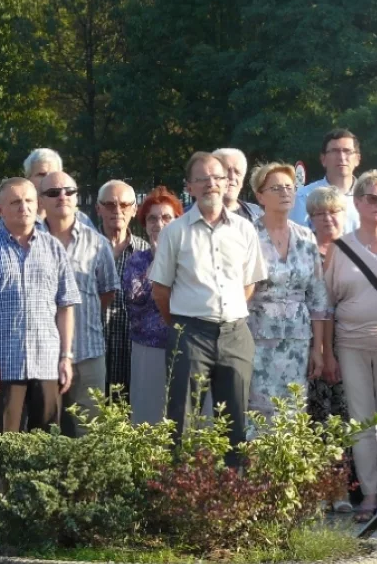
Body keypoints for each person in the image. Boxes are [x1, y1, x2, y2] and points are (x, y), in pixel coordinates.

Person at [0, 177, 80, 496]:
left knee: (45, 442)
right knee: (3, 442)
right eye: (15, 202)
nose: (24, 207)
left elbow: (66, 305)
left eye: (28, 200)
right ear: (0, 209)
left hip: (46, 362)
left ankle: (40, 502)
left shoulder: (54, 248)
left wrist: (66, 356)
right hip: (3, 365)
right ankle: (2, 508)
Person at [150, 152, 267, 464]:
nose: (211, 184)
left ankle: (234, 499)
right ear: (189, 186)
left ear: (227, 182)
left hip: (235, 335)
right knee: (182, 422)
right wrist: (181, 325)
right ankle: (180, 497)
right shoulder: (175, 232)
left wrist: (227, 315)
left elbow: (248, 284)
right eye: (202, 178)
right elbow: (161, 290)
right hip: (189, 333)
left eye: (217, 177)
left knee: (236, 423)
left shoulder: (245, 229)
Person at [324, 170, 377, 523]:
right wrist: (325, 352)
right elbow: (325, 305)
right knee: (361, 422)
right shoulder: (340, 247)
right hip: (350, 344)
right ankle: (369, 495)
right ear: (357, 202)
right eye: (372, 198)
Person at [246, 163, 329, 430]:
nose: (285, 192)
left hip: (297, 343)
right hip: (256, 340)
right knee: (256, 416)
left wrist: (318, 349)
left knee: (291, 415)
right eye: (276, 188)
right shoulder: (247, 235)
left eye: (289, 187)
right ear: (260, 196)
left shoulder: (306, 237)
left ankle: (286, 472)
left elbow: (317, 297)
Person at [40, 172, 118, 436]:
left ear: (77, 197)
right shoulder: (30, 242)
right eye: (53, 192)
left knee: (90, 435)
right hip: (43, 355)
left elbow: (107, 292)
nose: (62, 196)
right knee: (47, 434)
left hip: (88, 354)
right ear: (41, 200)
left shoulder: (98, 243)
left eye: (69, 191)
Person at [305, 186, 354, 514]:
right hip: (309, 342)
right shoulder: (305, 250)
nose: (327, 218)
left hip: (347, 342)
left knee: (342, 417)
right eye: (319, 213)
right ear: (310, 218)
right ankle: (317, 490)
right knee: (314, 417)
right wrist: (320, 350)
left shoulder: (354, 252)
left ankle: (342, 489)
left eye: (333, 211)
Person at [124, 187, 184, 424]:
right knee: (148, 416)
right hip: (148, 349)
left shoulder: (189, 258)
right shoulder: (137, 260)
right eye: (152, 218)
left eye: (166, 217)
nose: (159, 223)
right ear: (145, 224)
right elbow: (134, 297)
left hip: (184, 347)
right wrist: (159, 258)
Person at [97, 179, 149, 397]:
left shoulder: (146, 254)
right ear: (98, 209)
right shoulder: (84, 250)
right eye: (109, 204)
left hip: (134, 357)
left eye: (125, 205)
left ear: (134, 209)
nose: (117, 210)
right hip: (94, 354)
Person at [290, 128, 361, 232]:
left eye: (347, 151)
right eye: (334, 151)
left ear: (357, 159)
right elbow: (297, 242)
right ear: (323, 159)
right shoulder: (304, 197)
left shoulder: (371, 197)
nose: (341, 157)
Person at [23, 148, 95, 230]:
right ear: (28, 179)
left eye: (53, 174)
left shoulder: (80, 220)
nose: (48, 179)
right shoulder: (17, 219)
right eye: (42, 174)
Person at [212, 148, 262, 221]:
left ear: (242, 181)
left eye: (237, 172)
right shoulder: (191, 216)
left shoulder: (259, 216)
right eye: (226, 170)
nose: (232, 176)